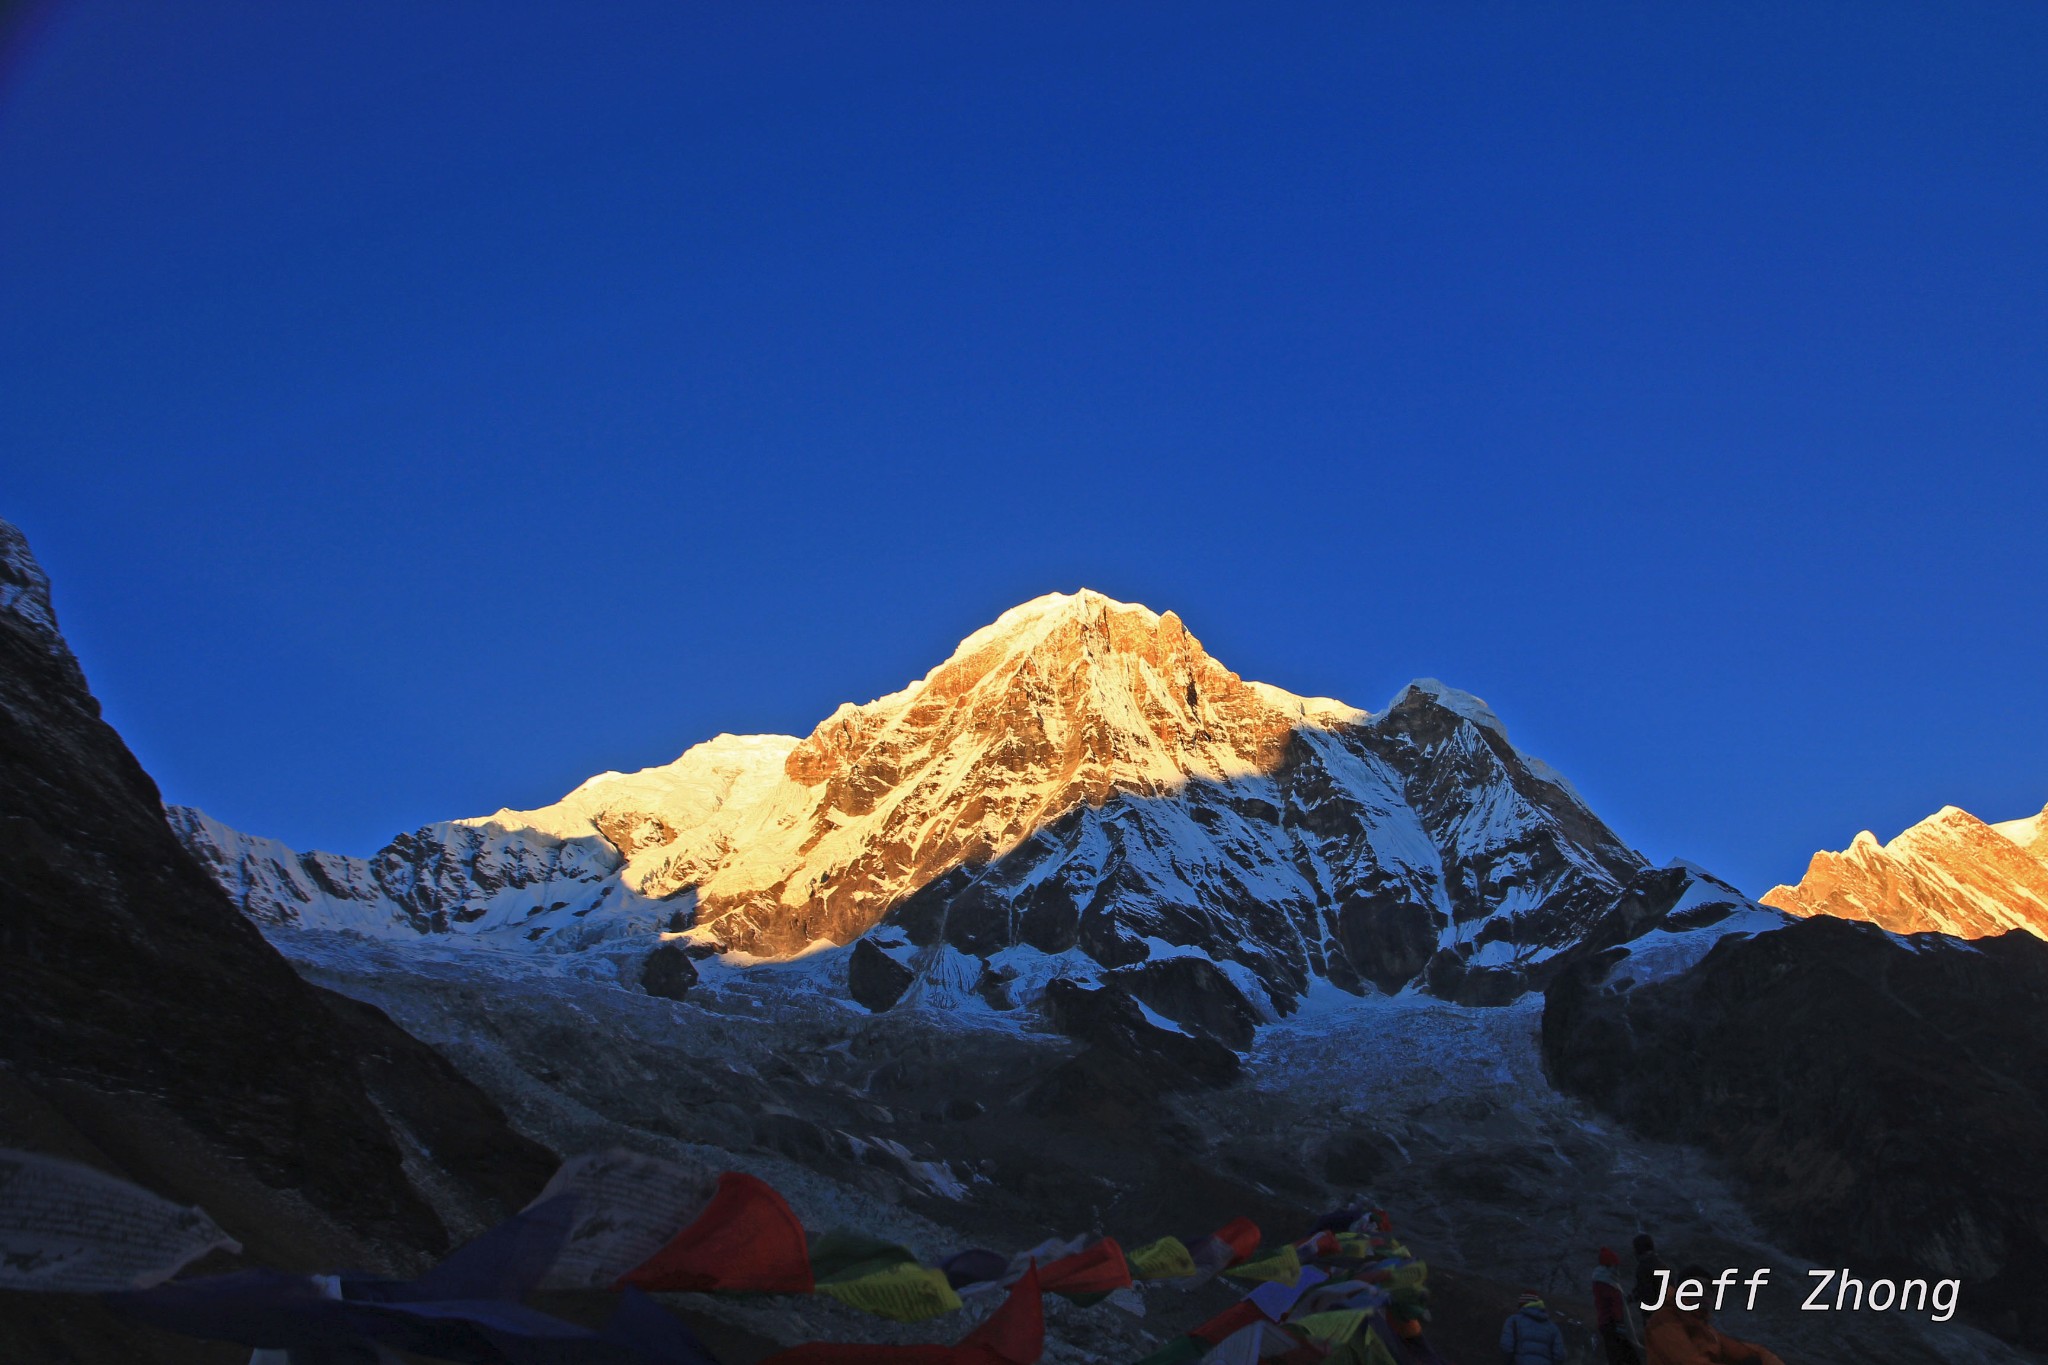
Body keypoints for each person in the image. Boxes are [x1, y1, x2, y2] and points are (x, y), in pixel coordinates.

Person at [1643, 1265, 1785, 1365]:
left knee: (1753, 1360)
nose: (1704, 1293)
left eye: (1709, 1289)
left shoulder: (1704, 1328)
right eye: (1696, 1287)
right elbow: (1688, 1363)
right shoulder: (1664, 1321)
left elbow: (1747, 1352)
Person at [1593, 1247, 1643, 1364]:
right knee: (1625, 1357)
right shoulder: (1607, 1284)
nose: (1617, 1269)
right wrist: (1620, 1323)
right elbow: (1615, 1304)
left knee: (1619, 1357)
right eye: (1615, 1265)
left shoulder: (1602, 1281)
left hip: (1609, 1325)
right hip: (1614, 1326)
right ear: (1610, 1265)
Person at [1500, 1291, 1567, 1364]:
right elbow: (1560, 1355)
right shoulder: (1552, 1327)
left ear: (1521, 1305)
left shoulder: (1513, 1321)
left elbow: (1506, 1347)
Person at [1631, 1234, 1671, 1310]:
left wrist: (1633, 1297)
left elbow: (1646, 1292)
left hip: (1654, 1313)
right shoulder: (1662, 1265)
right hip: (1668, 1310)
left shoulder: (1643, 1268)